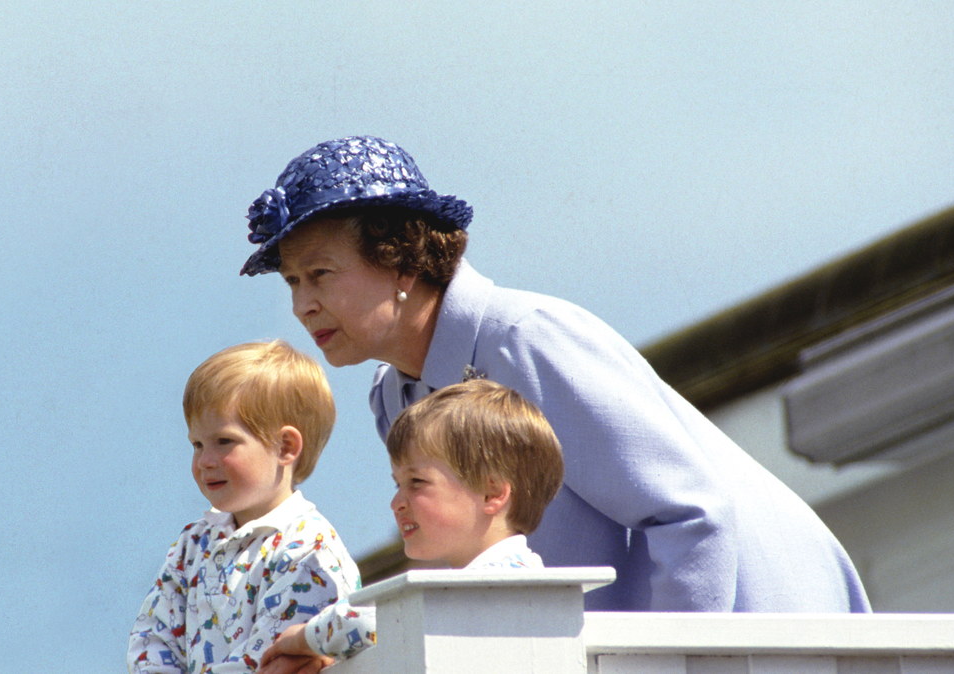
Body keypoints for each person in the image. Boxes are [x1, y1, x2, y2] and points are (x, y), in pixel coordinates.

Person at [238, 135, 870, 613]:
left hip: (767, 631)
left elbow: (690, 513)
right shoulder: (395, 394)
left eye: (320, 274)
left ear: (400, 260)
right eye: (293, 281)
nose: (302, 305)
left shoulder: (525, 338)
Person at [257, 378, 564, 673]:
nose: (397, 503)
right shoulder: (497, 581)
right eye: (397, 485)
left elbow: (376, 622)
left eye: (417, 482)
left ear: (492, 493)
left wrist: (304, 639)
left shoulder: (504, 581)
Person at [127, 341, 362, 673]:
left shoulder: (310, 550)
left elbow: (274, 656)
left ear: (286, 446)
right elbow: (153, 638)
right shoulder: (193, 544)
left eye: (224, 441)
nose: (205, 461)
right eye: (197, 444)